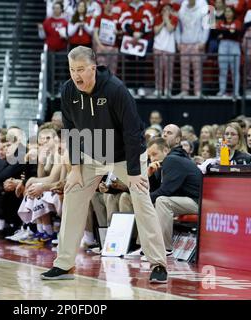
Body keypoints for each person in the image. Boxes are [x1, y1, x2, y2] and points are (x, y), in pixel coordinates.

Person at [40, 46, 168, 283]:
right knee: (73, 194)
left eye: (80, 69)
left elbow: (133, 133)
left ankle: (158, 264)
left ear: (93, 68)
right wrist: (75, 170)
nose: (76, 75)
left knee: (141, 199)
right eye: (71, 70)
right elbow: (70, 132)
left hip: (125, 153)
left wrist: (133, 173)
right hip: (91, 155)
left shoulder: (115, 90)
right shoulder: (68, 90)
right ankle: (64, 264)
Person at [148, 137, 202, 253]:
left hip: (199, 202)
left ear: (166, 151)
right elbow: (156, 190)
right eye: (149, 156)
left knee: (162, 201)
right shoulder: (164, 163)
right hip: (186, 200)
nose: (152, 158)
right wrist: (151, 175)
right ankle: (144, 246)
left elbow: (165, 191)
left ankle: (164, 248)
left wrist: (144, 199)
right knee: (154, 202)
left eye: (154, 154)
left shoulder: (171, 160)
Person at [175, 0, 209, 97]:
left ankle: (197, 91)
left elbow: (206, 26)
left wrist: (203, 41)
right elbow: (177, 26)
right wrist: (178, 41)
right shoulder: (182, 8)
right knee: (184, 69)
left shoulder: (203, 6)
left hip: (196, 43)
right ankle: (184, 90)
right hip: (184, 43)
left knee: (197, 69)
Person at [215, 6, 242, 98]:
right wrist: (229, 32)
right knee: (223, 70)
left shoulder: (237, 22)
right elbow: (217, 34)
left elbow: (236, 34)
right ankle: (222, 91)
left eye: (229, 11)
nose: (227, 13)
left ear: (233, 13)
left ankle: (236, 92)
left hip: (234, 46)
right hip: (223, 46)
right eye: (226, 11)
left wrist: (224, 33)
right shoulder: (220, 22)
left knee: (235, 71)